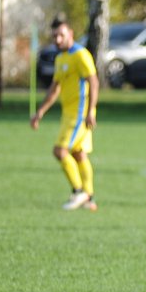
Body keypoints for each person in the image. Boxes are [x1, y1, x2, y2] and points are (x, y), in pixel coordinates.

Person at [30, 15, 99, 211]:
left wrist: (91, 111)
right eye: (54, 36)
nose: (57, 40)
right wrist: (40, 112)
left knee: (60, 151)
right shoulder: (60, 57)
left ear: (70, 34)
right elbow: (55, 88)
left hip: (79, 114)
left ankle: (79, 192)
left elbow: (93, 82)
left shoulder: (80, 55)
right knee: (78, 154)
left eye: (61, 35)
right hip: (67, 114)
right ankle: (90, 197)